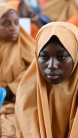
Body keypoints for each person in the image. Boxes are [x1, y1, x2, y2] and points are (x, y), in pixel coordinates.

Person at [0, 2, 35, 137]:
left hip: (17, 104)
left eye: (16, 22)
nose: (13, 28)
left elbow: (34, 72)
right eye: (6, 24)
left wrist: (10, 89)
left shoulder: (27, 46)